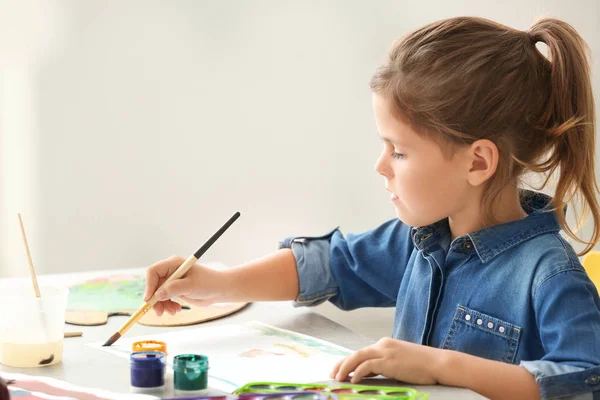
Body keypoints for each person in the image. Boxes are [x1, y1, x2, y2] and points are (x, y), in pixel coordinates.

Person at [144, 16, 600, 400]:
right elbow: (329, 265)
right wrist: (218, 284)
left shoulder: (549, 275)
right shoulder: (420, 241)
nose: (381, 165)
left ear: (477, 161)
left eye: (398, 151)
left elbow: (585, 378)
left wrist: (441, 366)